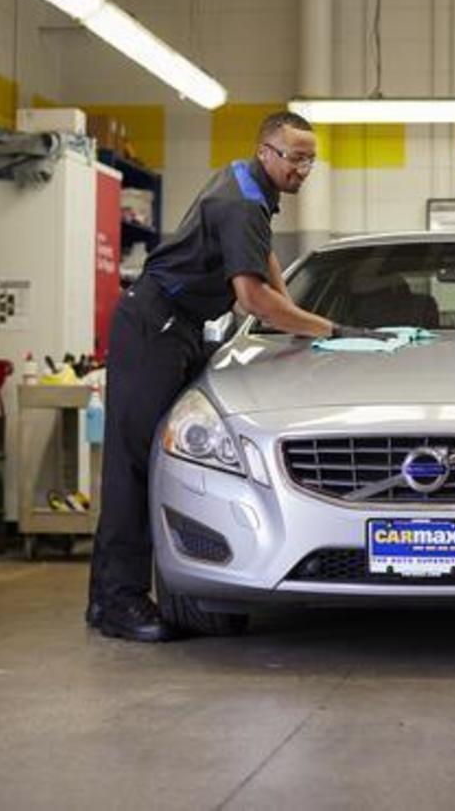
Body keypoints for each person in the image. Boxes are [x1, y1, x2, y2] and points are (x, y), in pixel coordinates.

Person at [86, 111, 386, 642]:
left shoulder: (246, 182)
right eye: (295, 157)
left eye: (311, 159)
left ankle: (110, 596)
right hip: (155, 324)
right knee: (136, 461)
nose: (303, 168)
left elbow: (263, 256)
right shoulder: (242, 202)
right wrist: (328, 327)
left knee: (144, 457)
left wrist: (295, 315)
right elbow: (252, 299)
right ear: (267, 150)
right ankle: (119, 601)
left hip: (177, 323)